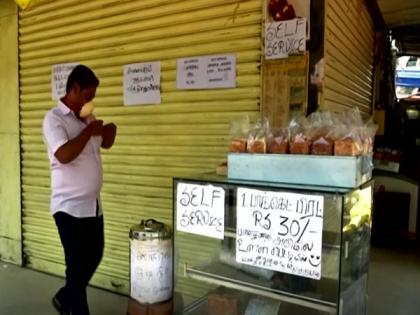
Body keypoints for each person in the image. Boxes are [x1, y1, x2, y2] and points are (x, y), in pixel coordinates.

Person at [43, 64, 117, 315]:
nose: (91, 101)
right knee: (76, 267)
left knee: (95, 255)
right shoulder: (54, 119)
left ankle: (66, 297)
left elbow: (102, 145)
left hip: (92, 206)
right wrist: (87, 132)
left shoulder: (87, 117)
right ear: (74, 89)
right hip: (68, 206)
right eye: (87, 95)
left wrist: (108, 133)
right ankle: (75, 307)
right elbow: (63, 154)